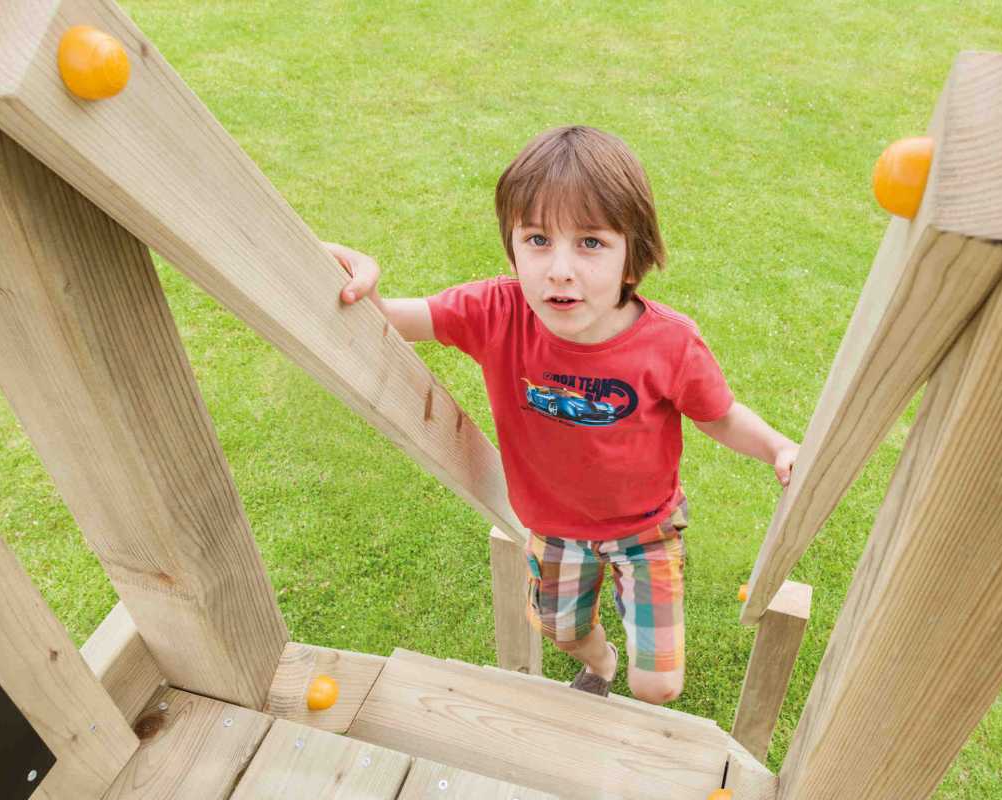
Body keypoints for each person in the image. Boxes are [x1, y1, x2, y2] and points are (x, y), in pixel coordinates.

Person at [326, 125, 798, 705]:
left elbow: (718, 416)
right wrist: (356, 279)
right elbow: (395, 318)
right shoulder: (495, 311)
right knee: (562, 631)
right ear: (513, 246)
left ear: (633, 257)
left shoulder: (671, 345)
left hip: (646, 529)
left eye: (591, 243)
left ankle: (634, 676)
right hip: (553, 529)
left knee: (659, 686)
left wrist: (778, 447)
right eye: (538, 239)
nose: (560, 269)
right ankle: (601, 664)